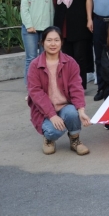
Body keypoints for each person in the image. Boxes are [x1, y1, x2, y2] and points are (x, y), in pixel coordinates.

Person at [27, 26, 91, 156]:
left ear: (61, 42)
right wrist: (52, 115)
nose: (53, 44)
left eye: (56, 40)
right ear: (42, 42)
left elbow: (76, 87)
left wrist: (81, 111)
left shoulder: (70, 62)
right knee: (53, 131)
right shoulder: (34, 65)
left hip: (64, 106)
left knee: (72, 113)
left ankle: (75, 139)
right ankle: (49, 139)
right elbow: (36, 93)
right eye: (49, 40)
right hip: (44, 111)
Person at [53, 0, 93, 89]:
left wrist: (89, 20)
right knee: (65, 58)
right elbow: (55, 2)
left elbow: (89, 1)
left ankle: (79, 86)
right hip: (63, 25)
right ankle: (67, 85)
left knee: (80, 57)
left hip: (79, 25)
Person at [21, 0, 54, 86]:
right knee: (31, 58)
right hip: (31, 28)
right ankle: (31, 88)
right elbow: (24, 7)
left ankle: (45, 86)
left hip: (48, 29)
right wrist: (29, 25)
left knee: (46, 59)